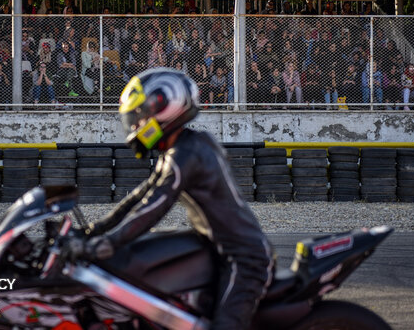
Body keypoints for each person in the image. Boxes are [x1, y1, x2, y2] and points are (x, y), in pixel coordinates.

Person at [68, 68, 273, 330]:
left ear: (165, 109)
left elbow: (153, 208)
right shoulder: (185, 147)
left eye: (140, 118)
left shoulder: (186, 156)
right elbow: (140, 196)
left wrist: (106, 244)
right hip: (212, 247)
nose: (136, 127)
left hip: (243, 257)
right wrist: (94, 230)